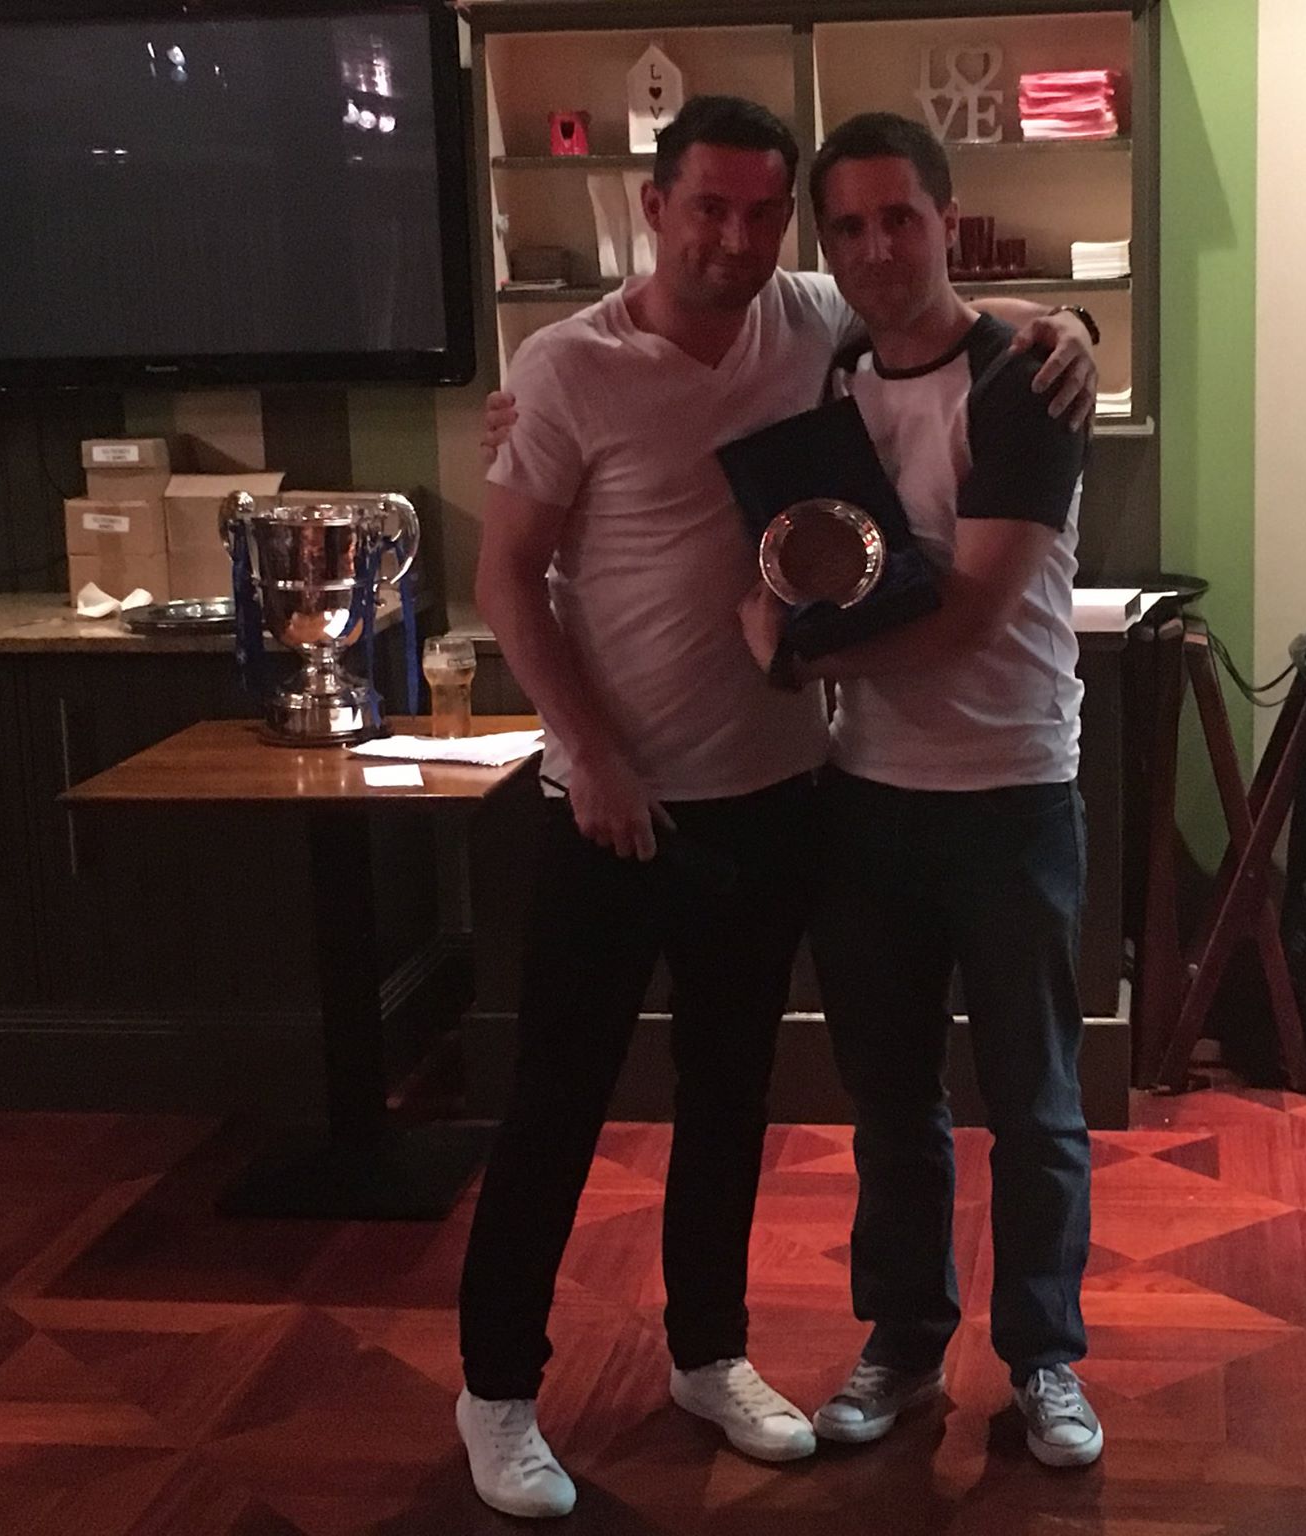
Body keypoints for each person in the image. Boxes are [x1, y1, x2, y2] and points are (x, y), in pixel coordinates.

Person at [460, 95, 1097, 1520]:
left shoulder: (811, 322)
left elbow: (936, 303)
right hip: (611, 802)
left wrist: (1065, 326)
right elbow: (506, 575)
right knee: (557, 1105)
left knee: (730, 1104)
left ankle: (708, 1354)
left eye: (765, 215)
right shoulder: (566, 365)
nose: (739, 241)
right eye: (712, 208)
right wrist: (589, 754)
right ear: (655, 205)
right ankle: (496, 1390)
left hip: (776, 799)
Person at [737, 111, 1102, 1468]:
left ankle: (1045, 1361)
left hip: (1013, 794)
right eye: (849, 226)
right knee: (891, 1105)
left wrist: (791, 654)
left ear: (949, 219)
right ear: (827, 247)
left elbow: (968, 612)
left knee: (1036, 1106)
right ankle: (902, 1345)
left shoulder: (1026, 380)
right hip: (867, 797)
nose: (878, 247)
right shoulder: (831, 375)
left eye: (902, 217)